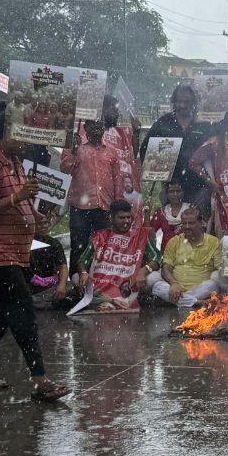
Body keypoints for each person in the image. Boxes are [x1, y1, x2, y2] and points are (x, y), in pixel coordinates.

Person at [0, 121, 70, 401]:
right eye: (20, 135)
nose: (26, 142)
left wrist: (34, 218)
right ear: (4, 134)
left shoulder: (16, 162)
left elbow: (22, 203)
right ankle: (40, 379)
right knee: (25, 315)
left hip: (17, 251)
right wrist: (15, 198)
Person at [62, 117, 124, 269]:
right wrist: (74, 151)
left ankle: (100, 280)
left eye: (100, 127)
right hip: (79, 206)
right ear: (86, 127)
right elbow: (65, 169)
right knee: (79, 245)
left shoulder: (111, 151)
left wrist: (117, 204)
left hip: (105, 206)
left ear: (104, 128)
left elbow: (117, 179)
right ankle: (77, 281)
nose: (97, 131)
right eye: (93, 127)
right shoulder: (74, 146)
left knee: (103, 245)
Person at [75, 200, 159, 311]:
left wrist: (144, 270)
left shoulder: (140, 237)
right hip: (101, 282)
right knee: (76, 278)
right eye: (122, 218)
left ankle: (117, 301)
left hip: (129, 285)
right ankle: (107, 301)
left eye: (128, 217)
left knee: (154, 277)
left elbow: (157, 258)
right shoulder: (100, 236)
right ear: (111, 218)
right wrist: (84, 272)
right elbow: (82, 260)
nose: (126, 221)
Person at [142, 84, 210, 203]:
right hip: (171, 189)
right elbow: (145, 149)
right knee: (171, 220)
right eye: (179, 101)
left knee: (198, 221)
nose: (182, 105)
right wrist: (155, 168)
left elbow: (214, 150)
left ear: (194, 102)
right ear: (174, 101)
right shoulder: (163, 123)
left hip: (199, 187)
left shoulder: (203, 124)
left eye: (187, 102)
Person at [148, 206, 220, 307]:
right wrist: (174, 283)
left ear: (201, 223)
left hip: (201, 289)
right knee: (157, 286)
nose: (186, 226)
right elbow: (166, 269)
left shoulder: (213, 242)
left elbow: (220, 267)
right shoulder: (175, 241)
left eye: (191, 223)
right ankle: (194, 302)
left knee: (213, 284)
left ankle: (179, 301)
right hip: (175, 288)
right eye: (184, 223)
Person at [27, 213, 73, 310]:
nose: (43, 226)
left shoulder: (54, 243)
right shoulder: (25, 242)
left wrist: (62, 285)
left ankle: (41, 302)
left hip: (51, 286)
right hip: (31, 286)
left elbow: (63, 266)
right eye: (40, 223)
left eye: (46, 223)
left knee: (73, 287)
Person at [149, 181, 190, 250]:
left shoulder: (190, 209)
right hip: (166, 252)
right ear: (167, 194)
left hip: (187, 252)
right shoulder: (160, 212)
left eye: (178, 191)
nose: (175, 194)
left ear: (183, 193)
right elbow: (150, 232)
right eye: (171, 192)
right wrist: (147, 215)